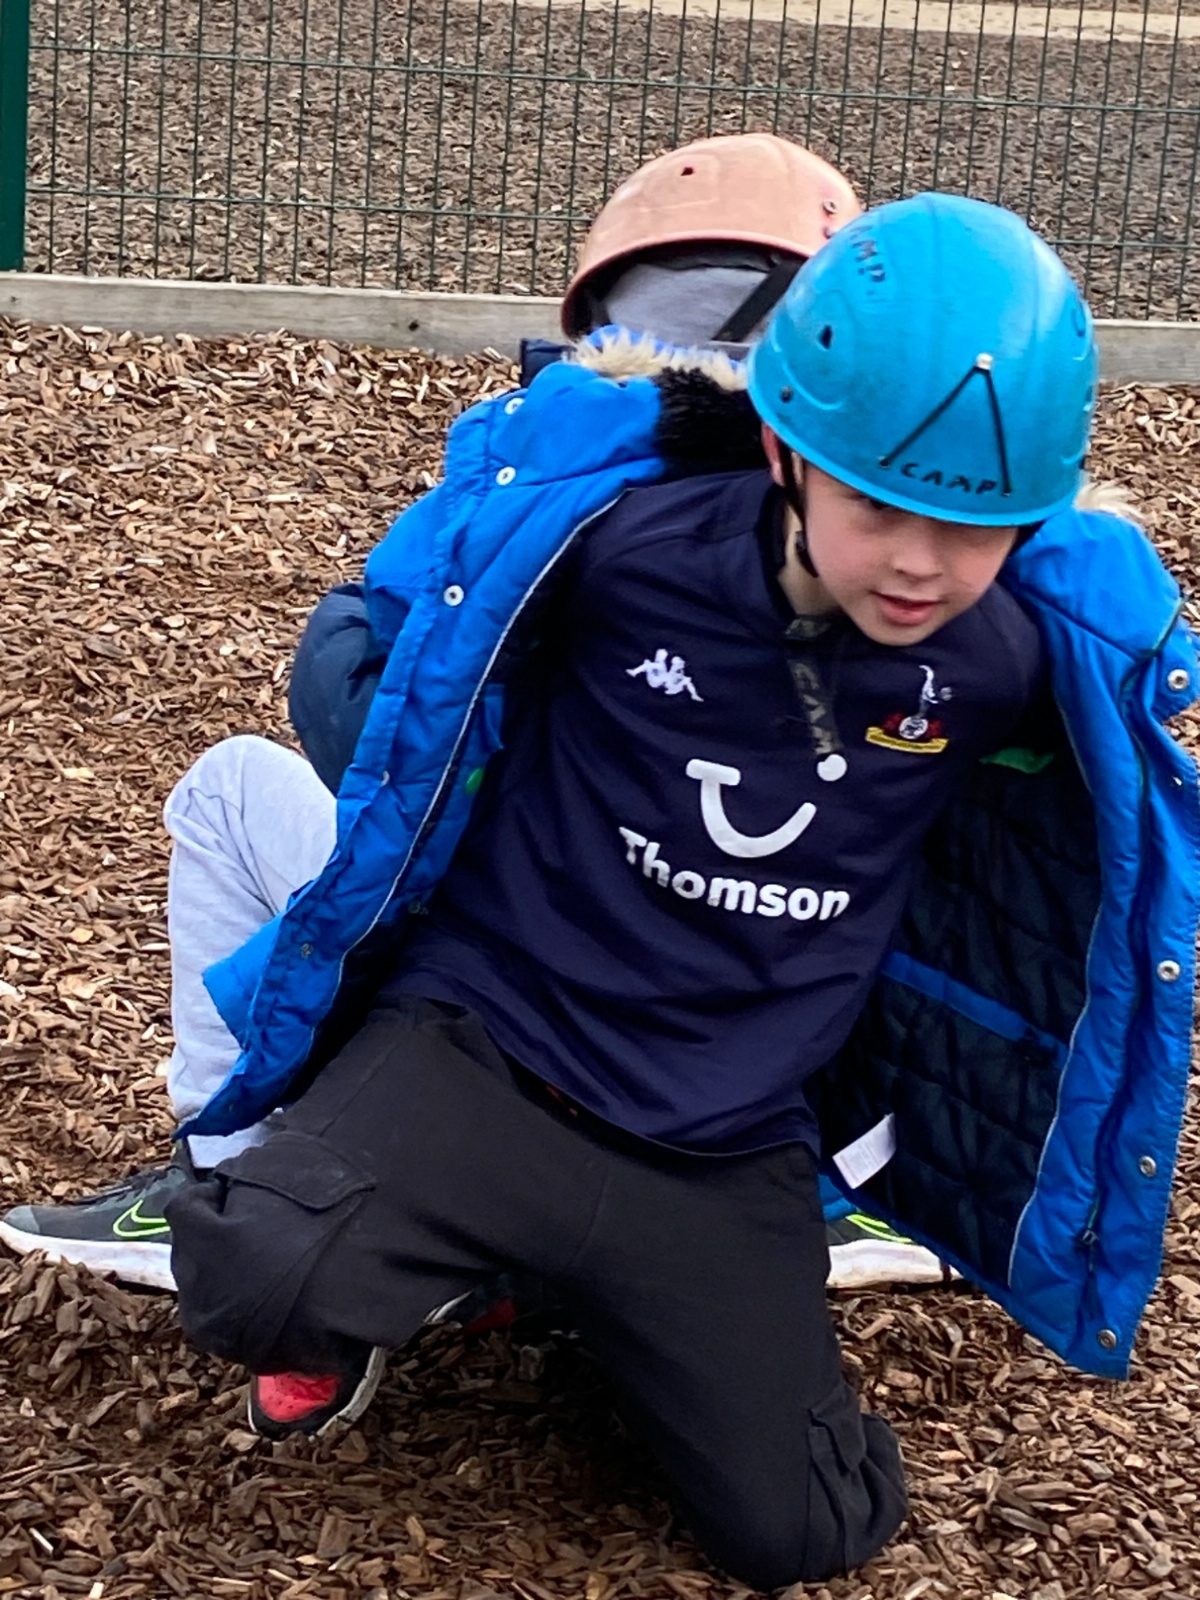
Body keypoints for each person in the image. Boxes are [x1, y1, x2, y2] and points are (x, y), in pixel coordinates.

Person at [162, 194, 1197, 1588]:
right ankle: (479, 1248)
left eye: (975, 528)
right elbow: (435, 600)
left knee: (804, 1531)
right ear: (785, 451)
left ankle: (614, 1304)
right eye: (879, 506)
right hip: (493, 1047)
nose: (919, 563)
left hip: (721, 1134)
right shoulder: (623, 548)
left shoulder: (1005, 659)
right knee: (250, 1275)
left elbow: (1107, 785)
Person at [2, 134, 942, 1296]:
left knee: (232, 789)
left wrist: (343, 629)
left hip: (513, 1004)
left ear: (609, 306)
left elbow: (375, 728)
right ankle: (837, 1193)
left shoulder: (553, 470)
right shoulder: (923, 538)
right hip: (769, 1057)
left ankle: (230, 1173)